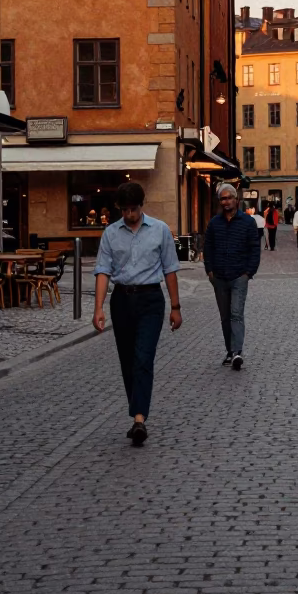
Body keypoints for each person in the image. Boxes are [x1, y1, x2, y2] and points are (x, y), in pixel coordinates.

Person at [92, 181, 182, 447]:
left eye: (133, 209)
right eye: (125, 210)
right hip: (121, 300)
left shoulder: (160, 230)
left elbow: (170, 269)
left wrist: (175, 307)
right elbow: (103, 271)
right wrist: (98, 307)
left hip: (151, 300)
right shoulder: (110, 233)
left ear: (141, 206)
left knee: (143, 357)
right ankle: (138, 413)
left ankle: (139, 419)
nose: (129, 214)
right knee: (128, 360)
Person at [204, 183, 262, 371]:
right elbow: (208, 248)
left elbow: (254, 248)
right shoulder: (214, 223)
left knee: (236, 313)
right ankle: (230, 351)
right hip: (219, 277)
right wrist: (210, 271)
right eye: (223, 198)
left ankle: (237, 351)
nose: (226, 201)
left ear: (236, 200)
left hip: (239, 276)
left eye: (229, 198)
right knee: (224, 316)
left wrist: (248, 272)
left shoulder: (247, 222)